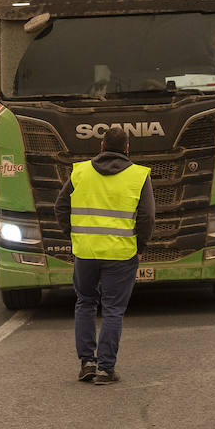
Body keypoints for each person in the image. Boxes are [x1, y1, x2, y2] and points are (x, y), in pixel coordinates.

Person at [55, 125, 155, 385]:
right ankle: (105, 369)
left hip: (85, 252)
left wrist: (74, 234)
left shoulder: (81, 172)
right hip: (121, 254)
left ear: (101, 146)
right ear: (127, 148)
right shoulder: (139, 176)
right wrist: (140, 246)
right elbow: (147, 217)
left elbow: (60, 206)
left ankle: (87, 363)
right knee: (113, 309)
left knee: (85, 303)